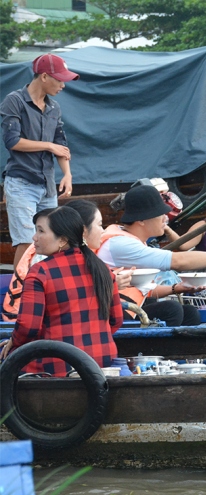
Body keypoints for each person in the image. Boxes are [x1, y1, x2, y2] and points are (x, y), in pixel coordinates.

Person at [96, 185, 206, 326]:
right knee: (171, 310)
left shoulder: (135, 240)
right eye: (160, 214)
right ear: (142, 221)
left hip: (130, 307)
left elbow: (145, 290)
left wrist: (176, 288)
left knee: (190, 313)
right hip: (114, 312)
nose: (165, 219)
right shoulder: (123, 244)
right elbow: (178, 260)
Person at [9, 206, 123, 377]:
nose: (34, 237)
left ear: (62, 239)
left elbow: (28, 327)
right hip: (103, 362)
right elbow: (116, 320)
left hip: (57, 365)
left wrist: (13, 343)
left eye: (40, 231)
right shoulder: (103, 268)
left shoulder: (41, 272)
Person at [2, 54, 80, 269]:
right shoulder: (15, 100)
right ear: (44, 76)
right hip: (20, 182)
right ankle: (17, 294)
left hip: (47, 186)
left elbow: (60, 144)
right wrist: (48, 146)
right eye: (60, 79)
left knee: (52, 242)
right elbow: (12, 141)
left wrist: (67, 175)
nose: (63, 85)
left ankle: (44, 290)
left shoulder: (54, 107)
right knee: (28, 242)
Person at [2, 199, 132, 322]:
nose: (103, 231)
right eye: (99, 225)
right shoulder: (43, 258)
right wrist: (107, 285)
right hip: (21, 320)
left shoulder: (75, 252)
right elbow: (58, 301)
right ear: (82, 230)